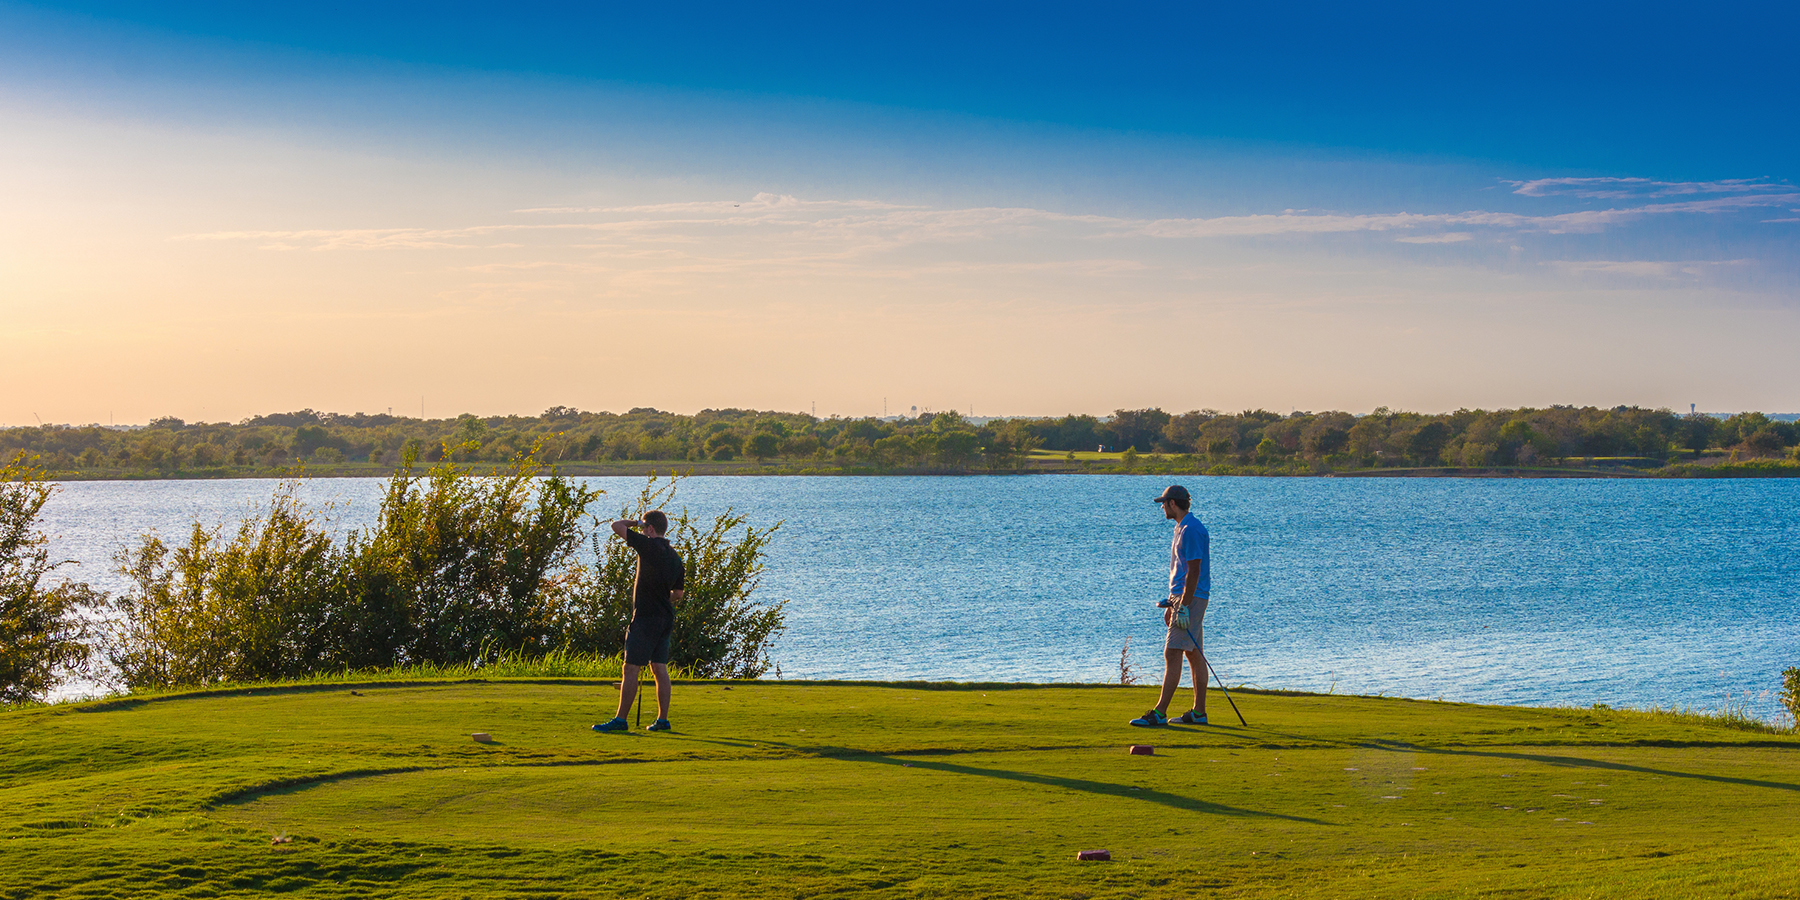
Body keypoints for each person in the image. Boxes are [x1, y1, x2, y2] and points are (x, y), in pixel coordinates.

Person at [593, 510, 685, 733]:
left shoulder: (647, 545)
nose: (642, 531)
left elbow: (616, 526)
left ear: (651, 529)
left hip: (645, 617)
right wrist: (663, 597)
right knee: (659, 668)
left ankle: (620, 720)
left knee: (631, 668)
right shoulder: (675, 557)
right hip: (665, 617)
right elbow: (678, 594)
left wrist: (635, 521)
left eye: (644, 528)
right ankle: (662, 720)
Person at [1130, 484, 1211, 727]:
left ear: (1173, 504)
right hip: (1184, 597)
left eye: (1164, 503)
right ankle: (1198, 713)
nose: (1163, 507)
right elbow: (1182, 570)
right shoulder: (1182, 527)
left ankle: (1159, 713)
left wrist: (1183, 605)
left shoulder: (1191, 530)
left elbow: (1194, 571)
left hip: (1191, 598)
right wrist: (1171, 603)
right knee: (1193, 653)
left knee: (1172, 651)